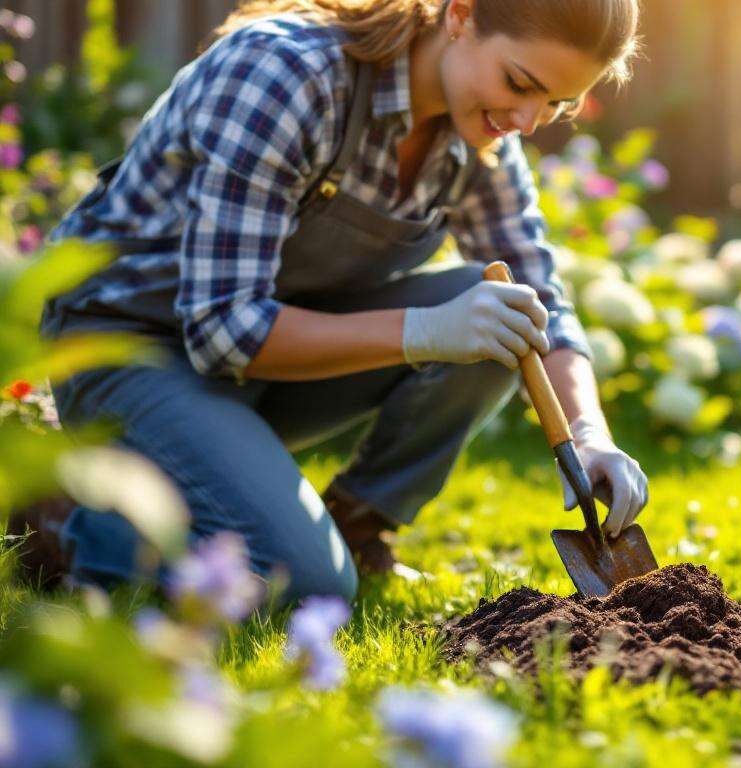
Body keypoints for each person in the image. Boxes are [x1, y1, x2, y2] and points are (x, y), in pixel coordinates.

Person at [27, 0, 649, 603]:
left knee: (504, 310)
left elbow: (544, 303)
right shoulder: (284, 76)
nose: (529, 121)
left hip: (263, 359)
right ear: (459, 15)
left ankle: (354, 524)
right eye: (519, 83)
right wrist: (428, 331)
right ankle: (65, 518)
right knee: (305, 584)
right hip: (128, 348)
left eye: (557, 103)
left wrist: (589, 433)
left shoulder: (478, 139)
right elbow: (225, 329)